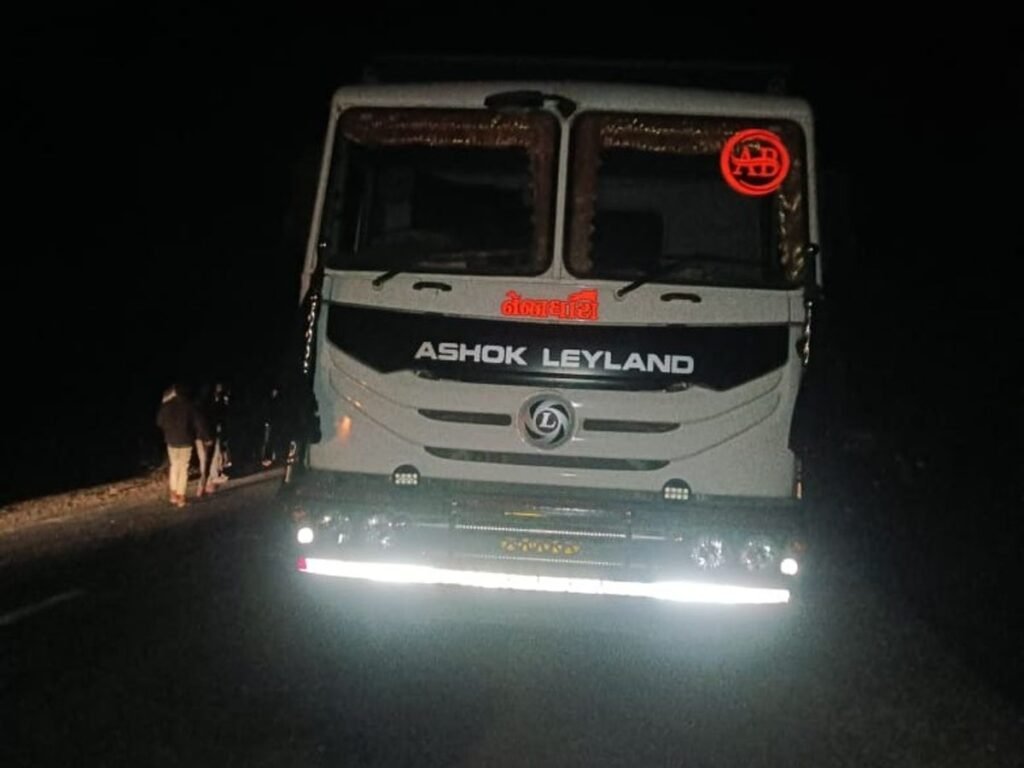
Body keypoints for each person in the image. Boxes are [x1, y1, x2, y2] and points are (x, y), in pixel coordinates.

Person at [155, 382, 202, 507]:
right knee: (183, 467)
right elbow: (197, 423)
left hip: (171, 440)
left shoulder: (166, 406)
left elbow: (159, 422)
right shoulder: (189, 405)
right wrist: (204, 436)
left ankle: (173, 494)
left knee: (174, 466)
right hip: (186, 440)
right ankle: (181, 496)